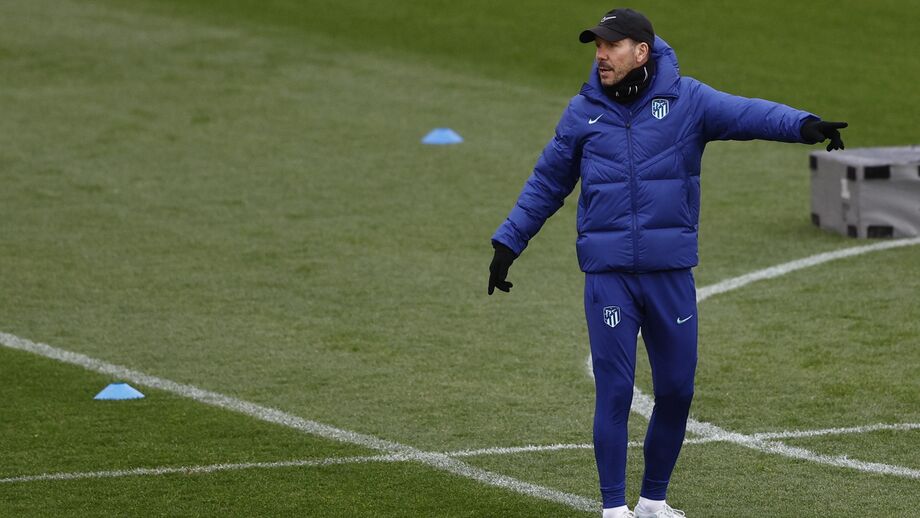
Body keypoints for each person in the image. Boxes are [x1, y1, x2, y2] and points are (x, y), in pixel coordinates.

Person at [487, 8, 846, 518]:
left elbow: (749, 114)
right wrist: (509, 242)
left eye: (611, 45)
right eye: (597, 46)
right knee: (615, 391)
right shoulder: (582, 112)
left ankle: (653, 501)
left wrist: (805, 125)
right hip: (609, 277)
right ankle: (614, 508)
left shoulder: (687, 100)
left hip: (670, 274)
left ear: (641, 51)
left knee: (677, 390)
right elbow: (547, 182)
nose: (601, 55)